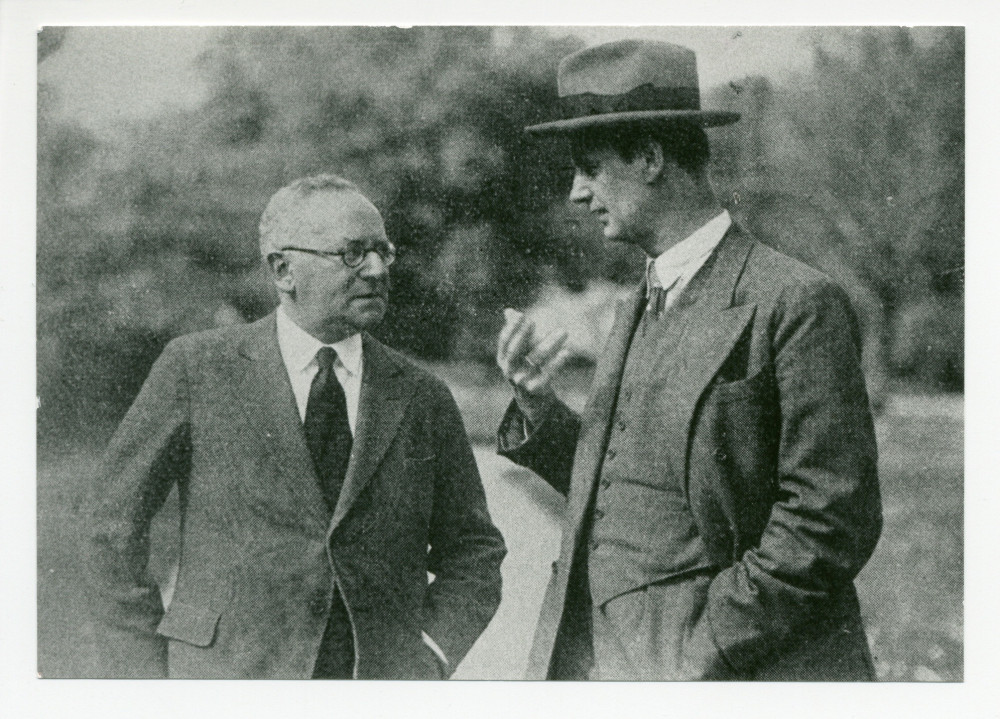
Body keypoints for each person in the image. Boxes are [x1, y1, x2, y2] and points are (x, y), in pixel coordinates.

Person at [497, 39, 882, 681]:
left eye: (589, 167)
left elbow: (828, 522)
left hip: (726, 673)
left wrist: (697, 653)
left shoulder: (793, 303)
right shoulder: (638, 304)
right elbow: (624, 493)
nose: (576, 192)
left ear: (650, 157)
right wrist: (539, 405)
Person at [86, 174, 506, 679]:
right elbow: (108, 527)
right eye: (352, 253)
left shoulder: (421, 395)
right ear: (283, 269)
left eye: (382, 251)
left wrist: (430, 656)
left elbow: (474, 551)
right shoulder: (196, 369)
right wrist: (145, 678)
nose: (376, 269)